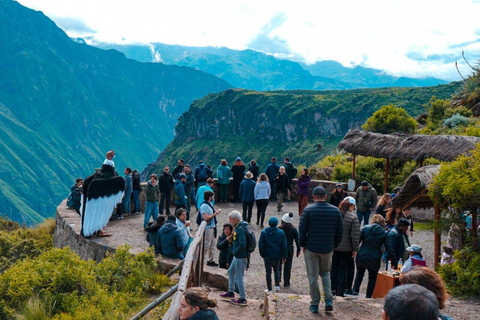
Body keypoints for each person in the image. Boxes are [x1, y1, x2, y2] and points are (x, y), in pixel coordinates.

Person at [299, 186, 343, 313]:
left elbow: (302, 231)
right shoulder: (335, 211)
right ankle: (328, 299)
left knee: (313, 277)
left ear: (313, 197)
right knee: (325, 274)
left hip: (311, 248)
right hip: (327, 248)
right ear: (325, 196)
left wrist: (302, 244)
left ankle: (314, 304)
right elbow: (340, 232)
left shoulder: (308, 210)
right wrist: (333, 245)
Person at [352, 214, 389, 298]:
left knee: (359, 274)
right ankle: (368, 296)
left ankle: (355, 291)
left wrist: (354, 251)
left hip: (362, 254)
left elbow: (357, 242)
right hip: (375, 257)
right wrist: (393, 259)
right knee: (372, 278)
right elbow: (388, 247)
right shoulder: (384, 233)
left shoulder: (365, 228)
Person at [331, 197, 360, 297]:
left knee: (334, 268)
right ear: (351, 206)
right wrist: (355, 249)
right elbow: (355, 236)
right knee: (350, 268)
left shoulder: (336, 215)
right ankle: (348, 289)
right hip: (347, 248)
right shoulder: (353, 218)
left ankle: (332, 290)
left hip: (336, 247)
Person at [220, 211, 249, 305]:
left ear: (235, 219)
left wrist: (234, 252)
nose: (229, 221)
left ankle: (242, 298)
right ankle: (230, 292)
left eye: (230, 219)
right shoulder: (237, 227)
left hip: (240, 256)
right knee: (230, 272)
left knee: (239, 277)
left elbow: (242, 244)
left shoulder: (240, 229)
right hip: (237, 256)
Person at [259, 216, 287, 293]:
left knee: (268, 272)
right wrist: (284, 255)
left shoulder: (264, 232)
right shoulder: (281, 232)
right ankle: (277, 285)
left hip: (267, 254)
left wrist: (262, 254)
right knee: (276, 270)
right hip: (277, 254)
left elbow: (261, 245)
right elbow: (284, 245)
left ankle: (269, 288)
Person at [278, 212, 300, 288]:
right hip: (290, 248)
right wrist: (298, 250)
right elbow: (297, 240)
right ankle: (286, 282)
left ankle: (278, 280)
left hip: (280, 248)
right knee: (288, 266)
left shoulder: (279, 229)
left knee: (279, 264)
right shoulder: (293, 229)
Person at [200, 191, 220, 267]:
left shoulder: (209, 204)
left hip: (212, 226)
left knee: (212, 244)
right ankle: (201, 259)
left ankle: (210, 260)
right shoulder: (204, 206)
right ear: (210, 197)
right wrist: (215, 214)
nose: (213, 198)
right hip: (208, 227)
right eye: (212, 196)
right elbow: (205, 217)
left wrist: (215, 212)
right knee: (206, 244)